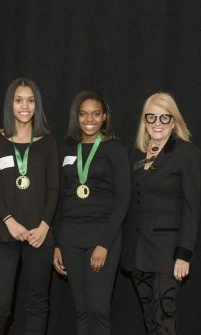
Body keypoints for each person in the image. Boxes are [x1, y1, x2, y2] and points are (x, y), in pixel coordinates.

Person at [0, 78, 58, 334]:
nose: (24, 106)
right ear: (9, 104)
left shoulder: (48, 142)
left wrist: (44, 225)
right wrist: (9, 221)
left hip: (39, 235)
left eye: (31, 100)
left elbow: (53, 189)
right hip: (5, 234)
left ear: (37, 105)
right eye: (18, 100)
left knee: (37, 305)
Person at [121, 92, 201, 335]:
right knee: (150, 320)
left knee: (164, 317)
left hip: (168, 254)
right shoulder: (135, 154)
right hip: (137, 252)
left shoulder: (187, 154)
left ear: (174, 121)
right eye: (151, 117)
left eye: (164, 118)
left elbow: (192, 207)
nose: (157, 123)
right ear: (144, 121)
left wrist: (184, 255)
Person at [52, 91, 130, 335]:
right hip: (70, 237)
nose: (89, 119)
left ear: (104, 117)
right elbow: (61, 197)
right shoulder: (66, 148)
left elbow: (123, 198)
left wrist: (104, 243)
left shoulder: (115, 148)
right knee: (82, 308)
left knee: (98, 308)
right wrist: (57, 243)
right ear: (77, 116)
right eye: (83, 114)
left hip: (102, 235)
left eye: (96, 114)